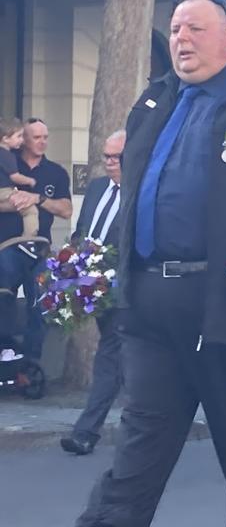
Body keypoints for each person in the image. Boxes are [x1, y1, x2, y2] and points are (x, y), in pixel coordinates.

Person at [75, 0, 226, 527]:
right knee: (140, 441)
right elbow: (134, 194)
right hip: (151, 305)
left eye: (195, 29)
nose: (182, 39)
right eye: (177, 28)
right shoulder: (153, 101)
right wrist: (101, 266)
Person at [60, 129, 127, 456]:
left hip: (125, 292)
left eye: (117, 157)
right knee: (123, 362)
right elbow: (83, 230)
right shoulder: (99, 187)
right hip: (91, 288)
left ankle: (86, 432)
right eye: (106, 157)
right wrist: (69, 265)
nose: (110, 163)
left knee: (110, 356)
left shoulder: (141, 192)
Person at [12, 118, 73, 360]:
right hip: (6, 246)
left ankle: (30, 365)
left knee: (39, 306)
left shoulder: (55, 172)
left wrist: (38, 198)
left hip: (39, 249)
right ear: (23, 140)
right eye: (36, 137)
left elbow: (67, 210)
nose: (42, 142)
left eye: (45, 137)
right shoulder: (8, 166)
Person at [0, 117, 40, 248]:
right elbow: (15, 177)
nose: (22, 140)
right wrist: (30, 180)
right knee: (29, 209)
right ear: (5, 138)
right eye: (19, 136)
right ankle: (28, 240)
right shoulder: (7, 155)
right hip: (5, 191)